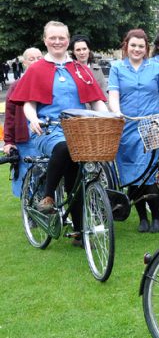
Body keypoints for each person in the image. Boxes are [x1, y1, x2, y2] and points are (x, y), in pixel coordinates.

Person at [10, 22, 107, 245]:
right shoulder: (36, 69)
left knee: (76, 180)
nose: (57, 42)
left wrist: (110, 116)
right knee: (64, 147)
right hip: (48, 129)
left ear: (68, 39)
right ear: (45, 40)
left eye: (61, 38)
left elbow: (96, 101)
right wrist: (32, 118)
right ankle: (48, 195)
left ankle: (80, 233)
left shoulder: (79, 69)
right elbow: (28, 104)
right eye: (52, 38)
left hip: (78, 130)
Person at [108, 29, 159, 233]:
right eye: (133, 45)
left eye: (141, 46)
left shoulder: (156, 68)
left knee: (149, 174)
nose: (137, 49)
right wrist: (116, 113)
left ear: (146, 48)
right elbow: (113, 96)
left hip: (152, 125)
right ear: (126, 46)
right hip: (127, 128)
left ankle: (157, 215)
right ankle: (142, 217)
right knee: (132, 175)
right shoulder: (117, 68)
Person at [3, 48, 42, 196]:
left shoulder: (50, 83)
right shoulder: (16, 86)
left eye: (39, 58)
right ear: (24, 63)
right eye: (32, 59)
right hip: (25, 139)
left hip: (46, 136)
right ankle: (29, 213)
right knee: (27, 176)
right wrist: (8, 141)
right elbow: (10, 116)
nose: (36, 61)